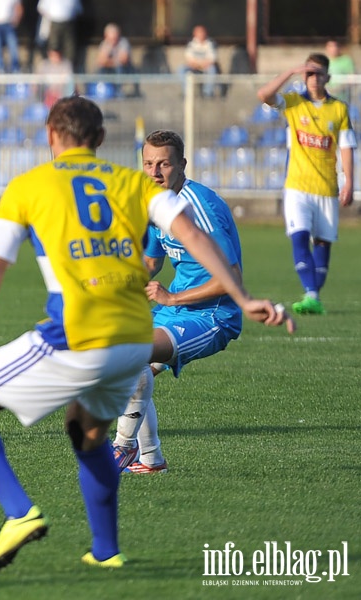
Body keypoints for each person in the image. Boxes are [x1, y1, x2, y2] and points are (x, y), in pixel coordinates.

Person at [0, 95, 292, 573]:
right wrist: (244, 298)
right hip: (132, 338)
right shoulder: (129, 184)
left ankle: (18, 513)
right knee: (87, 435)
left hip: (78, 336)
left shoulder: (28, 186)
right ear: (100, 140)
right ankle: (106, 550)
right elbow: (191, 236)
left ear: (51, 136)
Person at [112, 130, 245, 474]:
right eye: (148, 164)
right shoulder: (158, 203)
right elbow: (152, 263)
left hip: (213, 315)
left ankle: (121, 448)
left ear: (182, 164)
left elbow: (230, 279)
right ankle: (151, 460)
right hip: (175, 310)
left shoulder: (198, 205)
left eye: (164, 164)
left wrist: (172, 297)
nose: (155, 172)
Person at [257, 54, 356, 315]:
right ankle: (312, 294)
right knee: (299, 237)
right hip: (297, 187)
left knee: (323, 244)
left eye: (319, 73)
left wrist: (349, 183)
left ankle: (314, 296)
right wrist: (289, 72)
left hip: (327, 189)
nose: (314, 79)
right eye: (309, 73)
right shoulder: (293, 102)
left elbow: (346, 147)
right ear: (304, 76)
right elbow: (263, 95)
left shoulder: (339, 109)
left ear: (328, 77)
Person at [37, 0, 82, 73]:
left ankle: (68, 73)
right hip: (53, 22)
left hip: (69, 23)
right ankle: (51, 73)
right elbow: (41, 8)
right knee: (53, 47)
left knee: (70, 50)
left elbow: (78, 9)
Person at [95, 22, 139, 97]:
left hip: (125, 69)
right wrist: (112, 58)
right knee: (100, 70)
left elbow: (124, 60)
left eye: (115, 38)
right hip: (110, 69)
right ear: (106, 37)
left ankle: (119, 92)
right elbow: (100, 61)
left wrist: (109, 61)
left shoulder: (123, 42)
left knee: (119, 68)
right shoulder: (104, 44)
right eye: (111, 39)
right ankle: (100, 90)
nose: (114, 41)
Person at [180, 25, 219, 98]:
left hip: (206, 67)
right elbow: (189, 59)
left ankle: (207, 93)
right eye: (198, 33)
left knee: (212, 69)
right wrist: (197, 65)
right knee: (181, 69)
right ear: (194, 34)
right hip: (194, 67)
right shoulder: (191, 43)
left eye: (202, 32)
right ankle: (187, 92)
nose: (201, 34)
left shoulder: (210, 43)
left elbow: (212, 59)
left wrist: (202, 64)